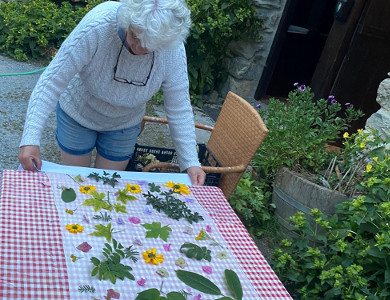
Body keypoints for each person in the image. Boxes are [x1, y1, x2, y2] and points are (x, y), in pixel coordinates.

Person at [18, 0, 206, 185]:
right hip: (78, 113)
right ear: (127, 20)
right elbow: (51, 81)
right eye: (135, 36)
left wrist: (190, 161)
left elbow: (179, 106)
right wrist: (30, 139)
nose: (139, 48)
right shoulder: (98, 26)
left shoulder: (171, 47)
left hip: (124, 123)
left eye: (150, 45)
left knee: (106, 186)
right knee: (76, 181)